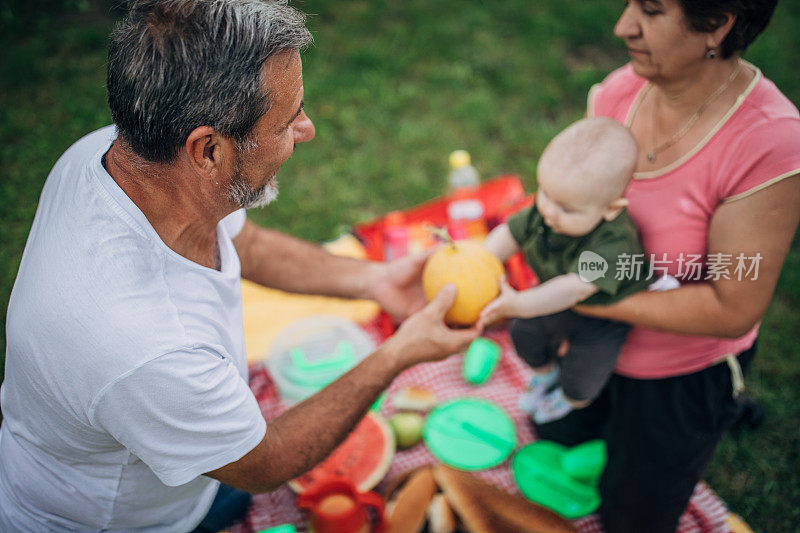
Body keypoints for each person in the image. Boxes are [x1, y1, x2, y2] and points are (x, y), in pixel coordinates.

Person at [0, 1, 480, 531]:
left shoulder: (124, 159)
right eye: (289, 117)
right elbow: (264, 462)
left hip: (183, 471)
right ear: (208, 151)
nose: (309, 129)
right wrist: (399, 353)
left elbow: (245, 245)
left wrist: (375, 280)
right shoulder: (150, 346)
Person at [530, 1, 800, 531]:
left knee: (632, 517)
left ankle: (721, 410)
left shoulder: (769, 142)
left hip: (678, 373)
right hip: (594, 340)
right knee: (553, 436)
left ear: (718, 24)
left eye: (651, 11)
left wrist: (582, 295)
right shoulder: (617, 92)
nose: (622, 26)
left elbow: (732, 307)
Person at [481, 117, 654, 424]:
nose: (548, 211)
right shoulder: (548, 209)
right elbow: (510, 234)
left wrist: (521, 303)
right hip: (554, 297)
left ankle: (568, 397)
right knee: (522, 332)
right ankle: (545, 375)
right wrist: (480, 262)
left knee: (582, 376)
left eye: (567, 209)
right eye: (545, 193)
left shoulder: (612, 243)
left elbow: (575, 286)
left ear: (611, 209)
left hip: (604, 315)